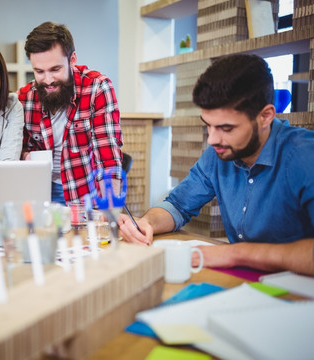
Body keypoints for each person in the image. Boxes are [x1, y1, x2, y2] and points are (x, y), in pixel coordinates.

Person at [119, 54, 314, 276]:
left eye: (226, 128)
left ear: (266, 116)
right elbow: (178, 205)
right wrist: (147, 223)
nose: (212, 140)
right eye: (208, 126)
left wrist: (236, 253)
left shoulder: (305, 157)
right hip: (245, 283)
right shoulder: (218, 154)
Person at [18, 22, 123, 205]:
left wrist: (110, 209)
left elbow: (108, 159)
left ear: (72, 59)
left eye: (55, 69)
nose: (48, 80)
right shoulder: (25, 97)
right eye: (39, 71)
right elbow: (15, 152)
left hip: (85, 194)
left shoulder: (97, 88)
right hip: (39, 193)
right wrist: (25, 155)